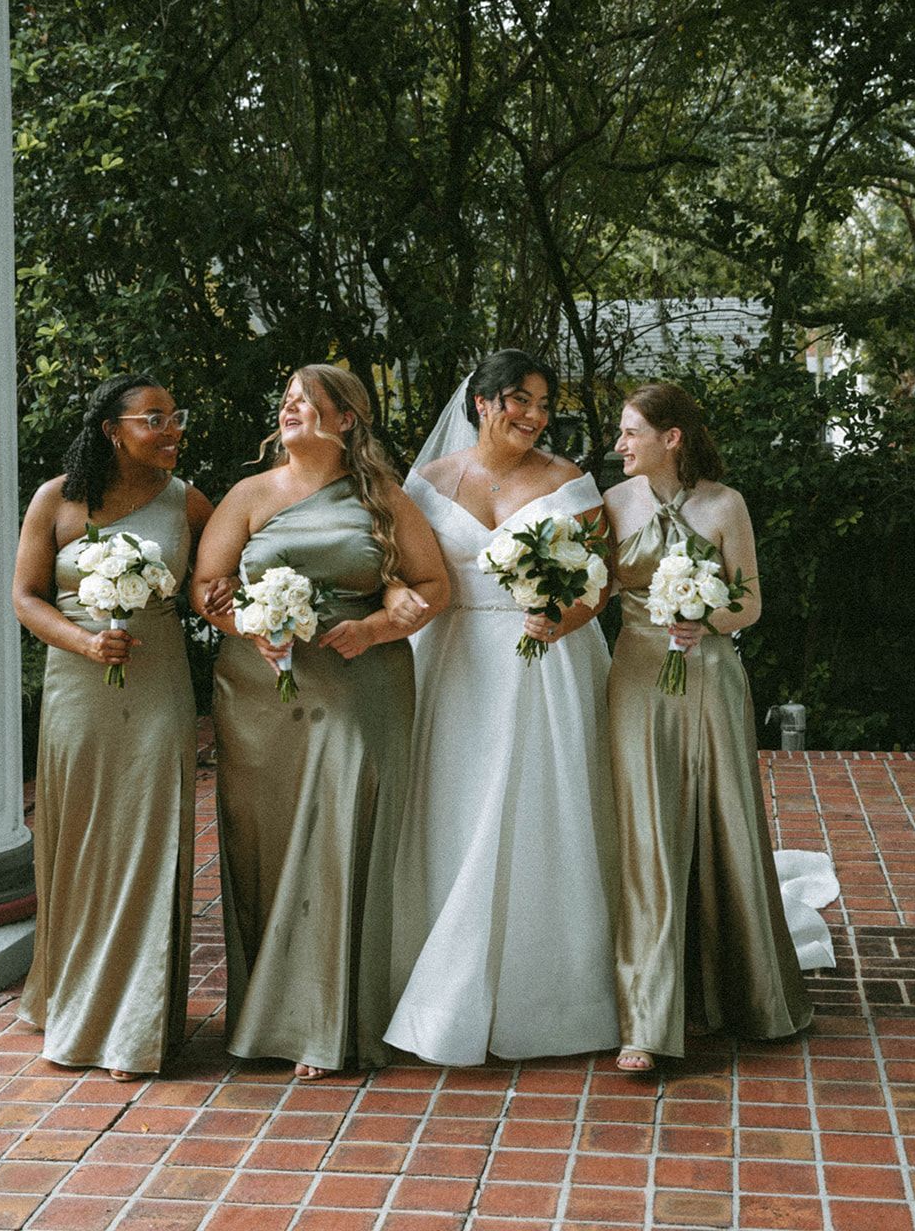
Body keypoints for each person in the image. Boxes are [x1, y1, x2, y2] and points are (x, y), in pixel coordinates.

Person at [190, 364, 449, 1080]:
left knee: (337, 832)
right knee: (263, 842)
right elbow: (207, 588)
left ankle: (326, 1023)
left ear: (346, 420)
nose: (290, 409)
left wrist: (373, 628)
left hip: (358, 680)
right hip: (260, 688)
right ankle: (265, 1017)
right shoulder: (249, 495)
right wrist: (248, 626)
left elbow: (433, 588)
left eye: (307, 401)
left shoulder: (382, 498)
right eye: (286, 401)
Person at [384, 350, 620, 1065]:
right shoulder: (424, 485)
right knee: (450, 808)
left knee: (541, 809)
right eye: (519, 400)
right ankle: (424, 986)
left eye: (544, 405)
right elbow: (401, 576)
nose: (534, 416)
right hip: (452, 663)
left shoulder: (569, 483)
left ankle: (547, 996)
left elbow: (597, 587)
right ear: (481, 403)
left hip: (544, 663)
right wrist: (396, 602)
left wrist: (561, 616)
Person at [604, 381, 828, 1073]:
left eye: (631, 431)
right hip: (637, 678)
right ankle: (647, 1018)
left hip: (709, 678)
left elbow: (751, 602)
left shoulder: (725, 504)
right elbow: (598, 587)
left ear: (671, 438)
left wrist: (708, 618)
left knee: (722, 820)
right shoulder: (613, 505)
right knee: (647, 833)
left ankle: (748, 992)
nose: (619, 445)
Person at [13, 373, 214, 1080]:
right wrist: (85, 643)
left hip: (157, 681)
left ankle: (132, 1025)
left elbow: (213, 586)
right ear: (112, 429)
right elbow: (27, 597)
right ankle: (66, 994)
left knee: (148, 838)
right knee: (80, 839)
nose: (171, 429)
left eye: (174, 415)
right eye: (154, 418)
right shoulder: (56, 501)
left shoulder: (186, 500)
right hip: (78, 687)